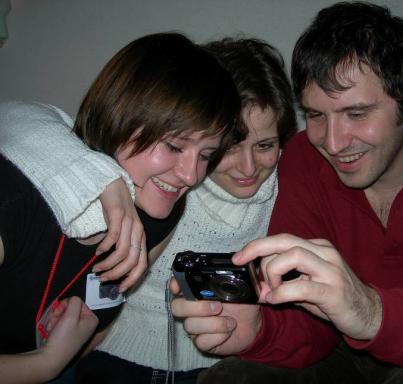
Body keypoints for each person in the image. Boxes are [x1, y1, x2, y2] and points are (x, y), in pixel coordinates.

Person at [171, 2, 403, 383]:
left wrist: (372, 313)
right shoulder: (303, 159)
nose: (332, 143)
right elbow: (307, 325)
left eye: (357, 114)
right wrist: (258, 331)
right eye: (316, 115)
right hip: (343, 353)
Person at [0, 37, 297, 383]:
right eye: (174, 145)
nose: (191, 175)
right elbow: (17, 115)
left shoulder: (159, 216)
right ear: (121, 116)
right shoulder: (16, 203)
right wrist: (45, 364)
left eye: (205, 155)